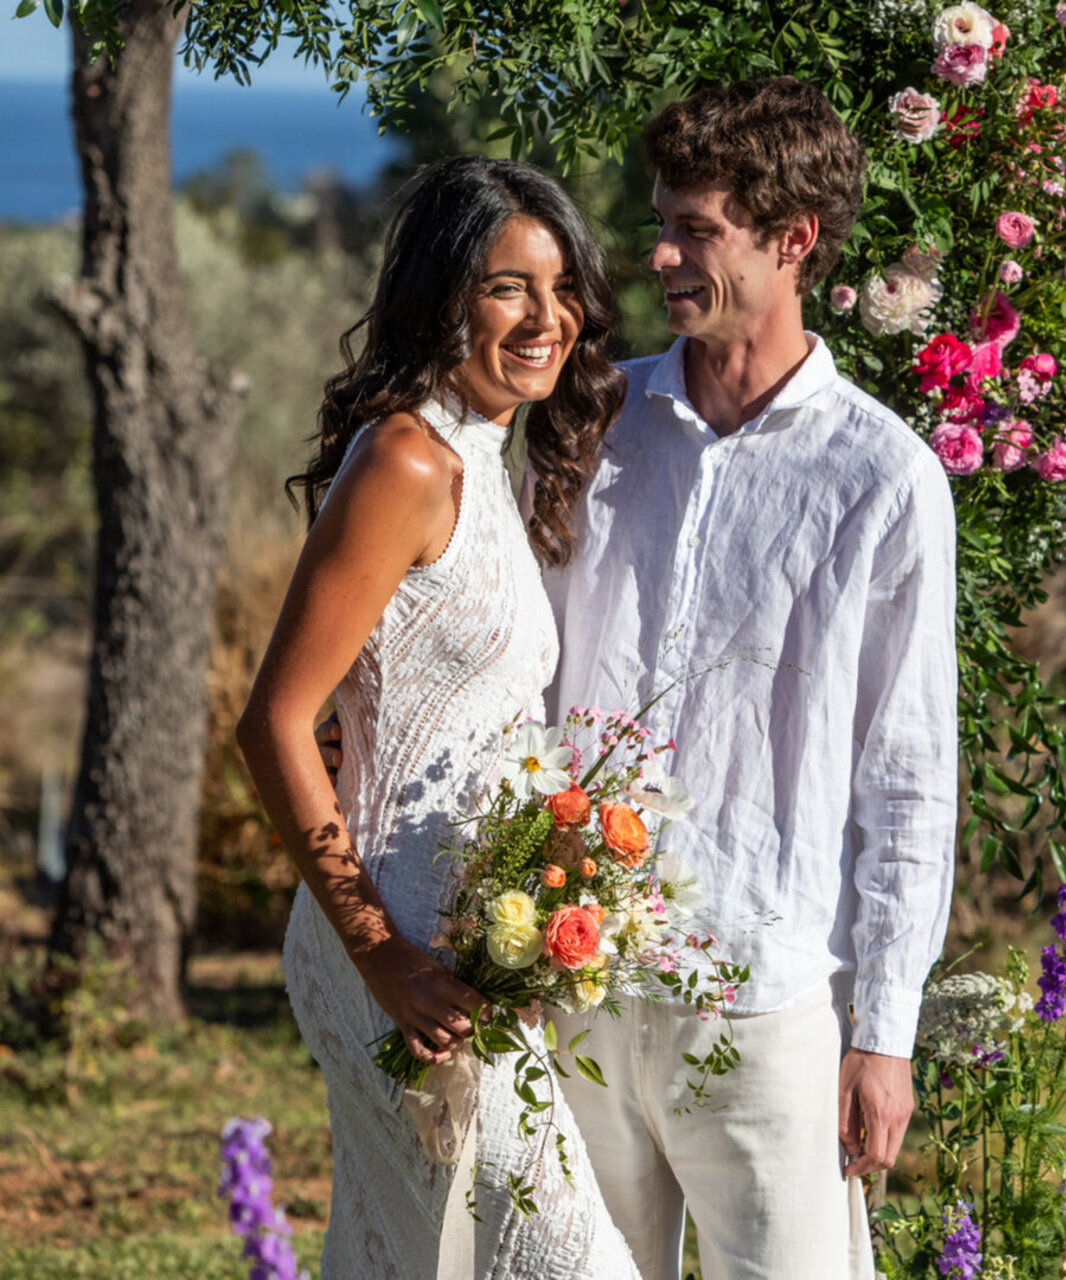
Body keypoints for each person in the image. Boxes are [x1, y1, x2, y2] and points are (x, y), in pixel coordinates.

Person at [544, 78, 959, 1280]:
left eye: (698, 230)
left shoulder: (884, 476)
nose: (662, 255)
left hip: (761, 994)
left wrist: (884, 1030)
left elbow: (909, 771)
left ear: (793, 241)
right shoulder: (591, 425)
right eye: (660, 223)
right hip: (574, 975)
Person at [236, 156, 644, 1280]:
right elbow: (274, 721)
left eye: (563, 290)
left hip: (461, 960)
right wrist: (383, 956)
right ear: (443, 296)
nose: (548, 318)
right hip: (399, 960)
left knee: (420, 1257)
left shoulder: (483, 457)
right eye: (510, 287)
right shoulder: (409, 457)